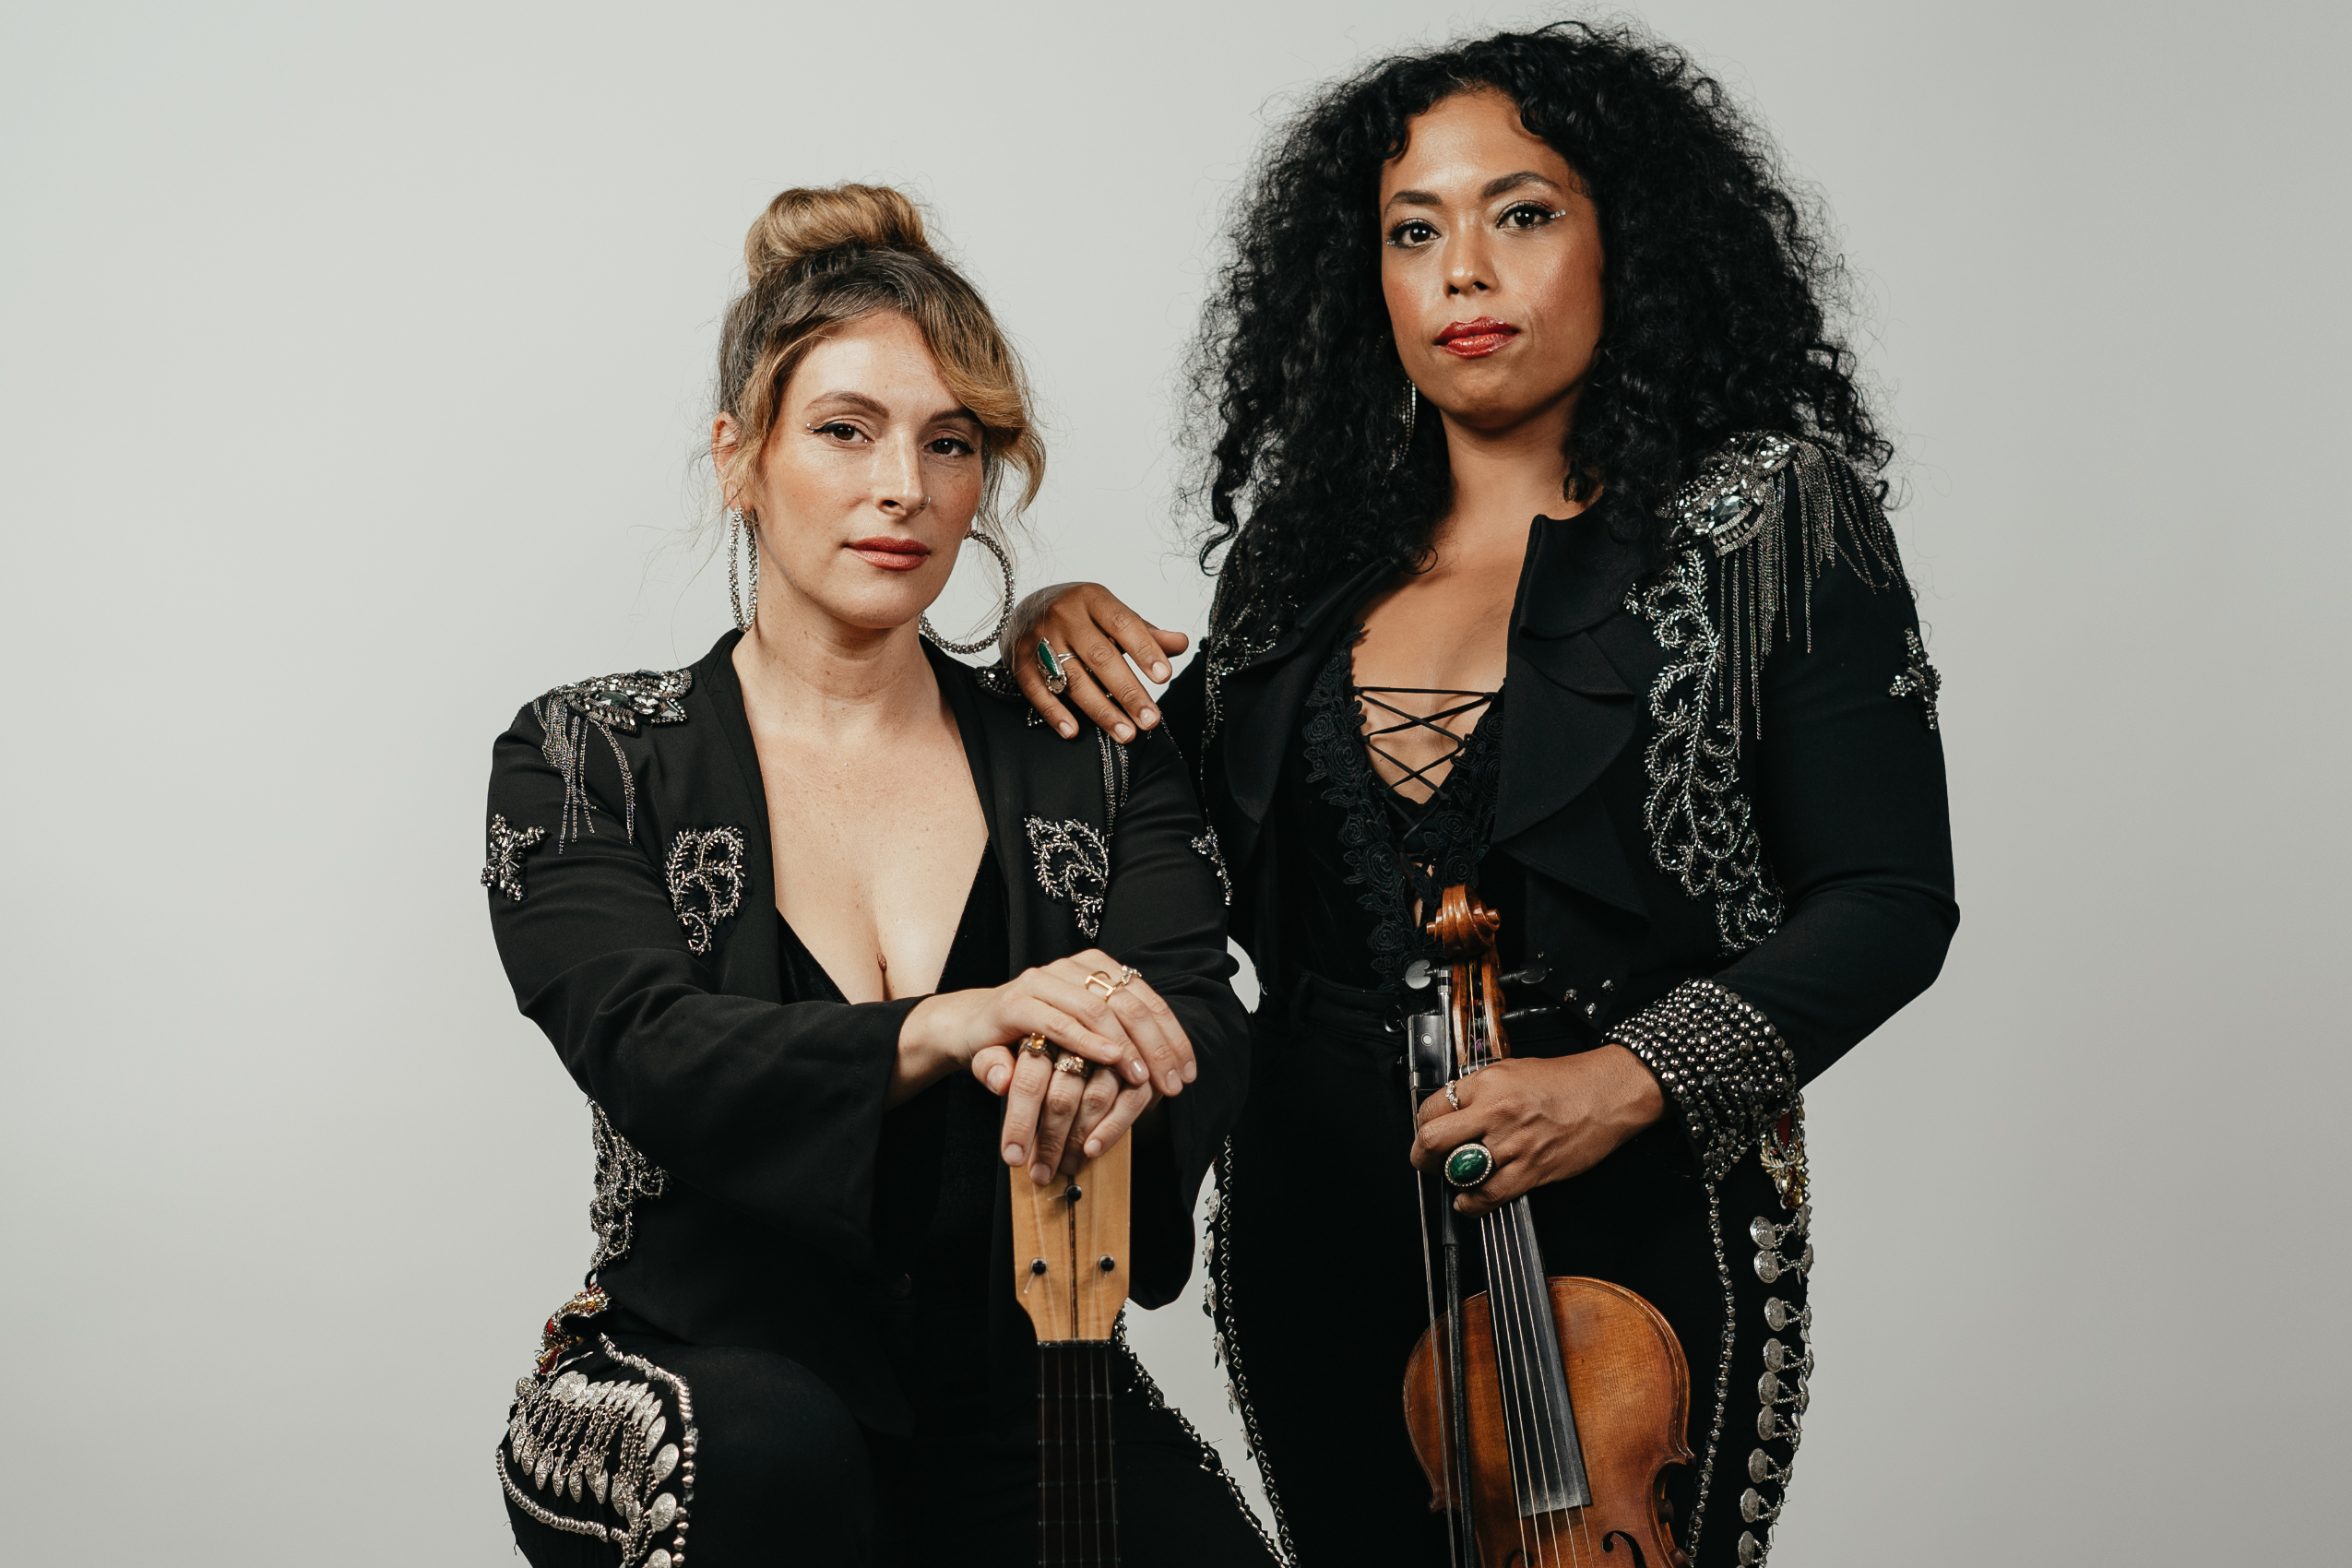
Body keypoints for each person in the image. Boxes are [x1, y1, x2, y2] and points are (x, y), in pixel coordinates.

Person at [1005, 23, 1956, 1567]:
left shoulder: (1767, 517)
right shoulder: (1301, 562)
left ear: (1622, 238)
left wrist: (1617, 1085)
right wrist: (1050, 638)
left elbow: (1891, 903)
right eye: (1412, 230)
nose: (1462, 272)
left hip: (1634, 1215)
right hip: (1314, 1207)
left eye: (1521, 213)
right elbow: (1138, 838)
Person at [481, 184, 1277, 1568]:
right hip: (690, 1373)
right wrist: (955, 1022)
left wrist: (1123, 1065)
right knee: (776, 1456)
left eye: (948, 442)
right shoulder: (590, 753)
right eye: (844, 431)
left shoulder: (1081, 755)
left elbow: (1200, 1009)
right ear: (739, 454)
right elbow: (648, 1045)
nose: (901, 485)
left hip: (1022, 1370)